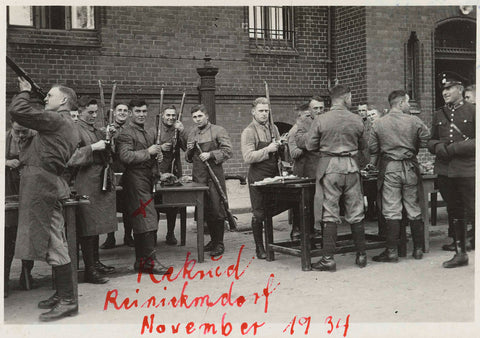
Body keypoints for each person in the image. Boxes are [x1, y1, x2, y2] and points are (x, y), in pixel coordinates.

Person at [9, 78, 80, 321]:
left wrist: (25, 92)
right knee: (53, 240)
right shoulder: (60, 123)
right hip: (45, 185)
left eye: (50, 96)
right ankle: (62, 295)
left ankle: (68, 300)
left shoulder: (58, 120)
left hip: (44, 189)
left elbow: (19, 110)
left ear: (64, 101)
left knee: (54, 243)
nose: (46, 98)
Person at [305, 85, 367, 271]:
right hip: (351, 166)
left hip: (330, 167)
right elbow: (363, 145)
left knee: (330, 212)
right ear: (346, 97)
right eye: (350, 96)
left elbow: (309, 145)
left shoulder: (321, 119)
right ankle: (362, 255)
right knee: (356, 211)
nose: (351, 99)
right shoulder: (356, 119)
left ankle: (328, 259)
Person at [368, 90, 430, 262]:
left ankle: (392, 252)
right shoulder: (414, 120)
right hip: (410, 166)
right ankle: (417, 250)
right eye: (408, 102)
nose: (409, 105)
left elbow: (373, 148)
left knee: (391, 209)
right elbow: (426, 139)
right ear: (402, 103)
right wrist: (412, 148)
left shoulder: (379, 123)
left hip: (390, 168)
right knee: (413, 207)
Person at [116, 99, 170, 275]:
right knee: (147, 218)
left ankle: (142, 262)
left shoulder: (146, 133)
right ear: (131, 113)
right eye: (138, 111)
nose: (141, 114)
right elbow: (125, 156)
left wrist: (158, 167)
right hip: (134, 179)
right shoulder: (126, 133)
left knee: (144, 219)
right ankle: (149, 262)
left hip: (147, 179)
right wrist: (149, 152)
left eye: (144, 111)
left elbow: (152, 158)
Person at [67, 96, 117, 284]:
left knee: (95, 224)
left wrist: (109, 137)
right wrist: (93, 148)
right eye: (90, 112)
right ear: (79, 111)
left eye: (95, 112)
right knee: (87, 225)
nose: (94, 116)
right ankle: (89, 269)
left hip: (98, 179)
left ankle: (95, 263)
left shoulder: (94, 129)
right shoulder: (74, 130)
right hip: (84, 180)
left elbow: (108, 153)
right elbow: (70, 158)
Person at [428, 72, 475, 268]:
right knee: (455, 211)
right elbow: (430, 139)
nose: (445, 92)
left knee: (475, 210)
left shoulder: (473, 111)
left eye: (449, 88)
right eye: (443, 89)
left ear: (460, 89)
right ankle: (460, 254)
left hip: (468, 170)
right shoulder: (439, 114)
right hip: (446, 171)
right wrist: (437, 147)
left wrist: (454, 149)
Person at [186, 104, 232, 257]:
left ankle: (219, 243)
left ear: (207, 116)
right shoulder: (192, 133)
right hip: (199, 177)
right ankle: (212, 240)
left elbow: (228, 151)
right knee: (204, 210)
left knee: (217, 209)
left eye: (200, 116)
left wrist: (211, 154)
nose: (197, 119)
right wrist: (191, 150)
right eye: (194, 117)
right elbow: (188, 158)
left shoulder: (218, 130)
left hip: (214, 176)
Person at [241, 97, 282, 259]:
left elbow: (278, 150)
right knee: (259, 213)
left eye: (266, 111)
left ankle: (273, 243)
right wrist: (269, 149)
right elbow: (248, 157)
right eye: (261, 111)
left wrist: (281, 145)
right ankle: (260, 247)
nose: (264, 114)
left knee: (274, 208)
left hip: (274, 174)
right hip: (258, 176)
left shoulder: (274, 128)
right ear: (253, 112)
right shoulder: (249, 131)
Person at [4, 121, 36, 297]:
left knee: (28, 235)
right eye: (18, 132)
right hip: (9, 190)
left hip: (30, 189)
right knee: (7, 237)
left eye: (25, 131)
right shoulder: (4, 138)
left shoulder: (37, 138)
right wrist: (6, 162)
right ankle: (4, 281)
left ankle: (26, 274)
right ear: (11, 126)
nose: (22, 135)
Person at [101, 102, 134, 249]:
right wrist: (109, 135)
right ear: (114, 112)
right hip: (112, 168)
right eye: (119, 110)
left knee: (128, 205)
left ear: (129, 113)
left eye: (125, 110)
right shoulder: (107, 128)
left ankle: (128, 236)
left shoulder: (131, 129)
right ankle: (110, 237)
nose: (122, 113)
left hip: (127, 169)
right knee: (110, 205)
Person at [156, 104, 188, 245]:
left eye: (173, 115)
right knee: (155, 203)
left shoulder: (178, 130)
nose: (170, 118)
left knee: (174, 205)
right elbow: (148, 148)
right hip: (158, 170)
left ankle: (170, 233)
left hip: (174, 169)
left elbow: (188, 147)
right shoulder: (155, 130)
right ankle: (153, 235)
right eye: (168, 115)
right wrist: (160, 147)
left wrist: (182, 131)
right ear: (163, 116)